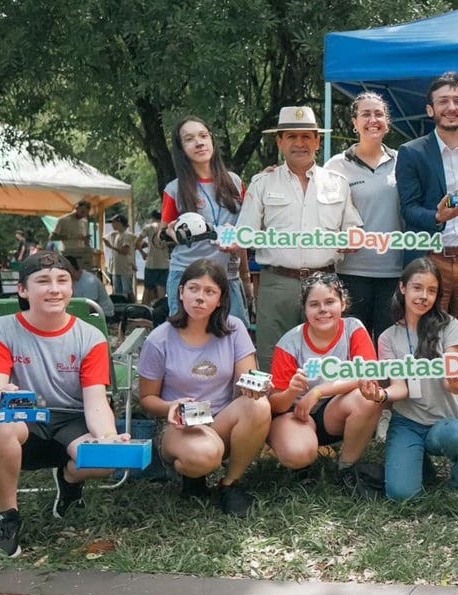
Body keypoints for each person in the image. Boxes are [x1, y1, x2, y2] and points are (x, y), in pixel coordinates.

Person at [0, 252, 130, 557]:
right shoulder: (0, 330)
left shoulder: (91, 336)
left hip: (72, 419)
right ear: (22, 290)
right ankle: (6, 516)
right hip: (24, 418)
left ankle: (69, 480)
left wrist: (108, 437)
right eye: (42, 281)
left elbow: (96, 402)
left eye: (62, 281)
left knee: (108, 455)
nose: (54, 289)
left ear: (72, 289)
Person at [395, 72, 458, 418]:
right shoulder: (412, 152)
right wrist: (437, 217)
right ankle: (422, 412)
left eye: (457, 101)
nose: (451, 107)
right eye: (443, 102)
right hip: (431, 260)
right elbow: (408, 208)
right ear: (430, 109)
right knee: (427, 338)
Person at [138, 259, 271, 516]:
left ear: (220, 299)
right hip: (177, 424)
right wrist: (170, 407)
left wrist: (256, 385)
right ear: (181, 292)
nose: (200, 298)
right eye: (193, 289)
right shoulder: (159, 339)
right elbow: (147, 398)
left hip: (220, 419)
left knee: (258, 405)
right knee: (205, 454)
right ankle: (193, 475)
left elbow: (246, 381)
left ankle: (230, 483)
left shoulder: (234, 329)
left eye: (209, 292)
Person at [238, 106, 362, 369]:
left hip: (324, 283)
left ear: (317, 141)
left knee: (326, 357)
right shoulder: (262, 183)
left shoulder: (337, 182)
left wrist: (353, 240)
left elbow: (353, 228)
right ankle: (273, 410)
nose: (300, 143)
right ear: (280, 142)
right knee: (272, 358)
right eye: (292, 136)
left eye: (307, 136)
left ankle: (320, 410)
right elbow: (244, 234)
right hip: (277, 284)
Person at [361, 258, 458, 500]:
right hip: (408, 422)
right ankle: (419, 462)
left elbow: (451, 374)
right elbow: (400, 389)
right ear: (402, 288)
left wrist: (455, 383)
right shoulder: (387, 337)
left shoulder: (449, 326)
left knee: (454, 436)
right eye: (417, 288)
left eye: (432, 290)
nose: (423, 296)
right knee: (401, 495)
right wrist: (380, 395)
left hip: (444, 421)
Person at [267, 273, 383, 497]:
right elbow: (275, 405)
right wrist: (292, 391)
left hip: (333, 413)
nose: (323, 310)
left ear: (343, 303)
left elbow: (367, 374)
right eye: (314, 304)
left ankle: (347, 469)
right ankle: (301, 467)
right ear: (305, 309)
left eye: (330, 302)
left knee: (368, 398)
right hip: (295, 415)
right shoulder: (290, 343)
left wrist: (318, 391)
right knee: (299, 452)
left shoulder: (353, 328)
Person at [323, 92, 402, 339]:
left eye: (379, 114)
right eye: (365, 114)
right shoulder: (335, 165)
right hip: (351, 273)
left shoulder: (403, 161)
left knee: (388, 348)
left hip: (394, 271)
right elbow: (322, 211)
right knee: (353, 346)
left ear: (387, 122)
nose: (372, 120)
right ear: (354, 123)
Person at [163, 116, 250, 326]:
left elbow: (245, 231)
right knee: (187, 342)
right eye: (189, 139)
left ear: (211, 139)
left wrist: (245, 278)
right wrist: (170, 232)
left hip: (227, 277)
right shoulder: (175, 189)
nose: (199, 142)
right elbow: (164, 229)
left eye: (203, 136)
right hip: (187, 277)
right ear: (181, 148)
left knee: (234, 342)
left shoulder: (235, 183)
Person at [136, 209, 170, 304]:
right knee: (161, 288)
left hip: (151, 263)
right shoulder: (167, 228)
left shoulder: (148, 227)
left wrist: (142, 253)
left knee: (148, 288)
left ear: (152, 217)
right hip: (165, 263)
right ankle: (160, 309)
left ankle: (144, 310)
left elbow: (137, 242)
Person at [50, 199, 95, 269]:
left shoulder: (84, 221)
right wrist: (71, 237)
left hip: (81, 253)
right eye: (82, 212)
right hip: (67, 252)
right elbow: (52, 237)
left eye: (86, 213)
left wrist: (88, 246)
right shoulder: (63, 220)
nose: (83, 215)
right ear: (77, 208)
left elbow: (86, 240)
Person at [103, 214, 136, 302]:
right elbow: (105, 238)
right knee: (118, 291)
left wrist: (111, 246)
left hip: (125, 268)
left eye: (114, 223)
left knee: (127, 291)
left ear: (120, 222)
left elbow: (125, 251)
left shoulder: (126, 235)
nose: (112, 225)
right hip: (116, 268)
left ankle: (134, 306)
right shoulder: (116, 234)